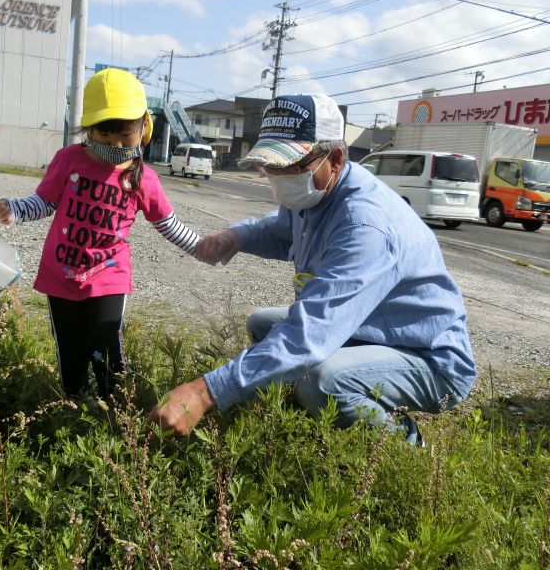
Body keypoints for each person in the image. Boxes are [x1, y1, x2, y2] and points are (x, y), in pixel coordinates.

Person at [146, 93, 476, 444]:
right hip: (369, 331)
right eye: (270, 167)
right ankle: (305, 412)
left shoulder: (365, 227)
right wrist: (235, 236)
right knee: (263, 324)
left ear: (334, 158)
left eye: (289, 166)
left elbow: (310, 335)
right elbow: (281, 229)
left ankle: (406, 447)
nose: (276, 177)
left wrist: (204, 392)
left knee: (324, 379)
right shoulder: (320, 192)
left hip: (425, 357)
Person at [0, 68, 201, 398]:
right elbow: (45, 202)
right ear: (88, 129)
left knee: (107, 350)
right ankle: (75, 403)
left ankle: (113, 407)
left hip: (109, 277)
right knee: (70, 350)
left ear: (144, 127)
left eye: (125, 136)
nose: (115, 146)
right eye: (104, 137)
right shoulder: (69, 160)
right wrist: (16, 209)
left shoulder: (142, 179)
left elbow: (167, 223)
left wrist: (201, 247)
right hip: (61, 275)